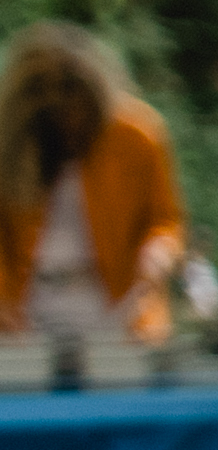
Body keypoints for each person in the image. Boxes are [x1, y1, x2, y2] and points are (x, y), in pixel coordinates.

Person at [0, 24, 183, 345]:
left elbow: (165, 221)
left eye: (79, 118)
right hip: (26, 313)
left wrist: (159, 253)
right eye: (56, 123)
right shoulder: (8, 145)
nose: (70, 130)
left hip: (119, 312)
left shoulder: (140, 137)